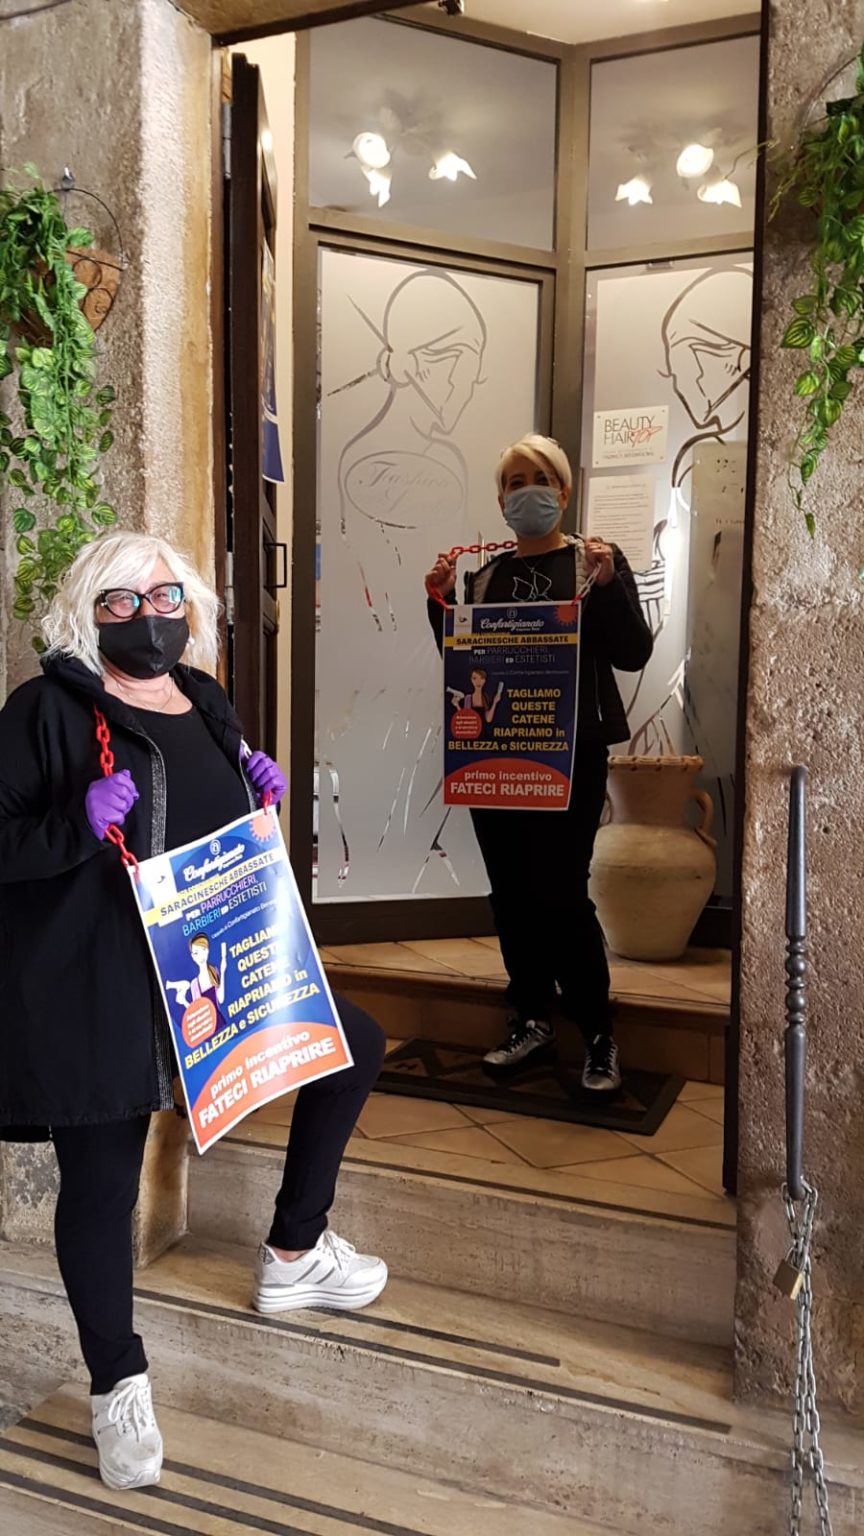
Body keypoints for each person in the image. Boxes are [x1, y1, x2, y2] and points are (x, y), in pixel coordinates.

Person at [0, 531, 388, 1493]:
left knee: (352, 1044)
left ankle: (295, 1248)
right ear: (87, 612)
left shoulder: (206, 700)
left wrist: (256, 798)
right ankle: (116, 1385)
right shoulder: (46, 711)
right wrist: (73, 824)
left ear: (192, 607)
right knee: (102, 1184)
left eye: (166, 597)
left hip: (207, 972)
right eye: (124, 602)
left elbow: (212, 830)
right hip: (98, 986)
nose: (150, 618)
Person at [425, 434, 653, 1088]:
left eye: (540, 479)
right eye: (515, 482)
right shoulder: (484, 576)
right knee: (512, 893)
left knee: (560, 891)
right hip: (495, 754)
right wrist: (440, 602)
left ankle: (598, 1032)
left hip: (570, 755)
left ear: (564, 491)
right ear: (501, 499)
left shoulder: (594, 562)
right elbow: (466, 660)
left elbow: (633, 652)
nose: (528, 491)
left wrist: (607, 587)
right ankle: (530, 1017)